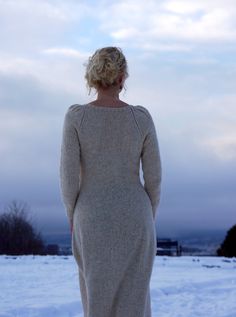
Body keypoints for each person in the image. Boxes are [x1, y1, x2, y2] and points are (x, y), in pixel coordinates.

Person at [59, 46, 162, 317]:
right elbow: (154, 180)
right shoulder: (141, 118)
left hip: (91, 217)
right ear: (122, 77)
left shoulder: (76, 118)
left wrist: (74, 217)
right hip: (136, 216)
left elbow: (68, 180)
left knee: (97, 301)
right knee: (135, 303)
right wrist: (147, 217)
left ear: (92, 76)